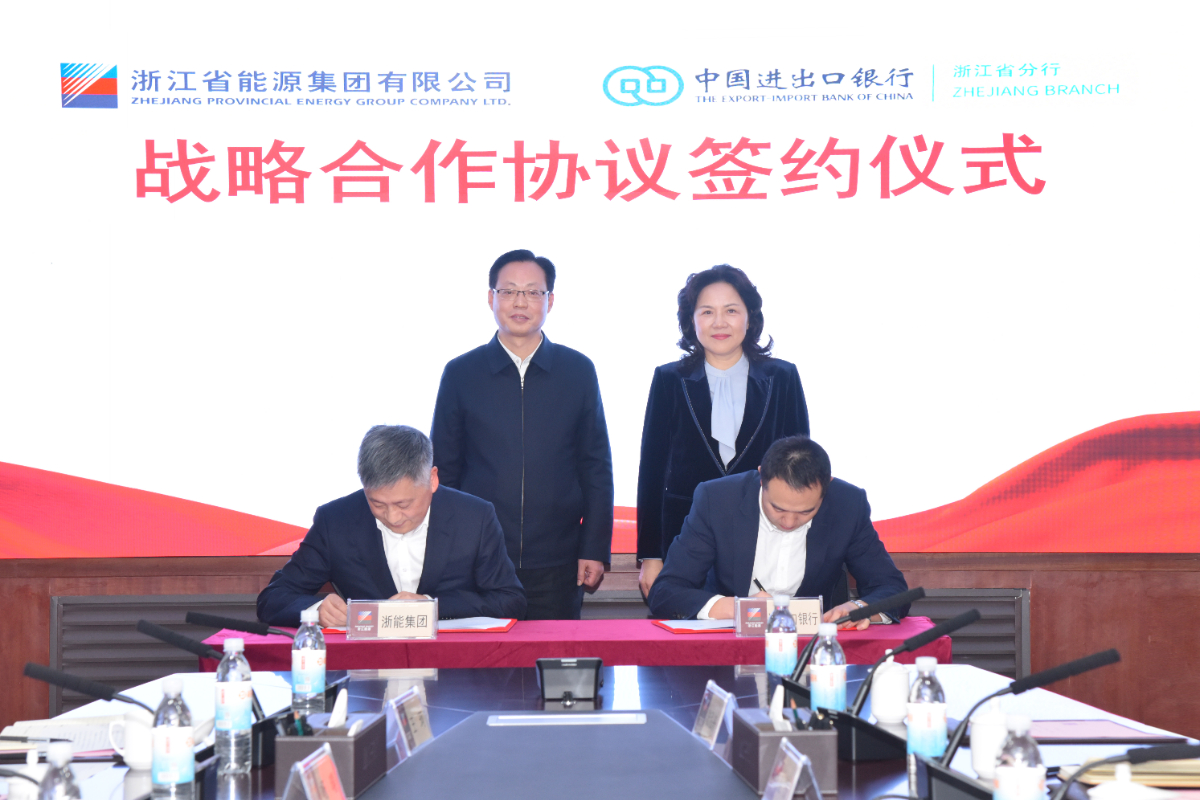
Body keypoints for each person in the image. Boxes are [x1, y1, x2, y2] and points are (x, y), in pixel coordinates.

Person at [430, 249, 614, 620]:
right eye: (509, 291)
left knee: (555, 655)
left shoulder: (577, 370)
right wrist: (446, 548)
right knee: (481, 656)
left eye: (532, 292)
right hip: (478, 557)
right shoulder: (461, 373)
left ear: (550, 301)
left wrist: (594, 548)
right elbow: (443, 470)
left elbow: (595, 465)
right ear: (490, 298)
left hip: (558, 560)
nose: (520, 302)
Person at [637, 265, 810, 597]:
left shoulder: (782, 377)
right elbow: (652, 472)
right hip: (686, 544)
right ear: (691, 321)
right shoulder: (669, 380)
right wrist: (651, 555)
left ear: (750, 317)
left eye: (731, 310)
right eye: (707, 312)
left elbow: (801, 470)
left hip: (766, 542)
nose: (719, 322)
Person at [257, 425, 526, 627]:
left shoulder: (475, 517)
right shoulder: (335, 520)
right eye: (377, 504)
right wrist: (317, 610)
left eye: (403, 504)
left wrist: (431, 606)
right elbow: (273, 598)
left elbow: (510, 600)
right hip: (364, 668)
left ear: (432, 480)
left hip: (454, 666)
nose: (393, 517)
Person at [646, 436, 910, 626]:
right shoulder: (717, 500)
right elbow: (666, 591)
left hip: (811, 651)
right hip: (728, 647)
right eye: (777, 508)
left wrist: (860, 608)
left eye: (805, 512)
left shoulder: (848, 505)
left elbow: (892, 588)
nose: (789, 522)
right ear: (762, 478)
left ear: (826, 488)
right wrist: (737, 609)